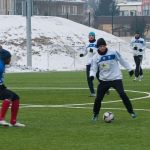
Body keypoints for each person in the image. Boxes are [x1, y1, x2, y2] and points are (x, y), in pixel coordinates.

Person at [90, 38, 136, 121]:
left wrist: (129, 69)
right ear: (98, 47)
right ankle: (95, 114)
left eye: (103, 46)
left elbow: (122, 60)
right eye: (100, 46)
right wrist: (92, 75)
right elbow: (93, 68)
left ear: (105, 45)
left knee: (122, 94)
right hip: (104, 80)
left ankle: (131, 112)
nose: (102, 47)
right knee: (98, 98)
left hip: (116, 78)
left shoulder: (113, 52)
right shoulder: (95, 57)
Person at [0, 49, 25, 127]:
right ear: (5, 58)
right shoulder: (0, 65)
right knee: (8, 96)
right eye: (9, 58)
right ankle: (1, 119)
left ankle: (13, 121)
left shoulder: (2, 63)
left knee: (15, 98)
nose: (10, 60)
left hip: (1, 87)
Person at [79, 32, 98, 97]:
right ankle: (92, 93)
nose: (91, 36)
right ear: (88, 36)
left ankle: (105, 89)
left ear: (94, 36)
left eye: (92, 35)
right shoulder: (87, 44)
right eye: (90, 35)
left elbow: (98, 52)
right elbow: (85, 52)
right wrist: (82, 54)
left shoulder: (97, 43)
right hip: (89, 63)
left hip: (96, 62)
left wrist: (91, 50)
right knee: (89, 78)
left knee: (99, 77)